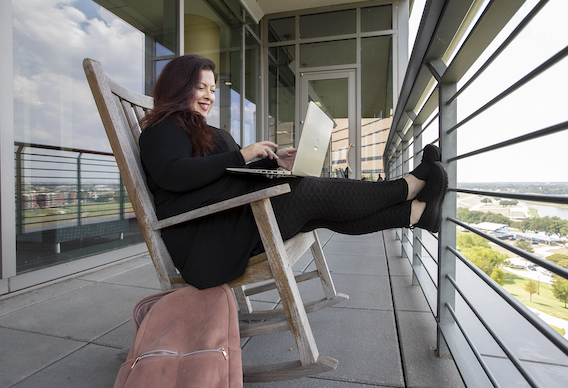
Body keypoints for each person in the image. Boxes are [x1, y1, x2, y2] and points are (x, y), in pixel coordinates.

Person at [139, 55, 447, 290]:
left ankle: (415, 214)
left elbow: (228, 176)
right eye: (200, 87)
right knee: (303, 191)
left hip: (228, 221)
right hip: (207, 241)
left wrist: (275, 163)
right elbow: (173, 174)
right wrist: (242, 153)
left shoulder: (205, 132)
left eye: (212, 89)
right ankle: (406, 187)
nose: (209, 96)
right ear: (179, 87)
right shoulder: (162, 129)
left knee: (316, 210)